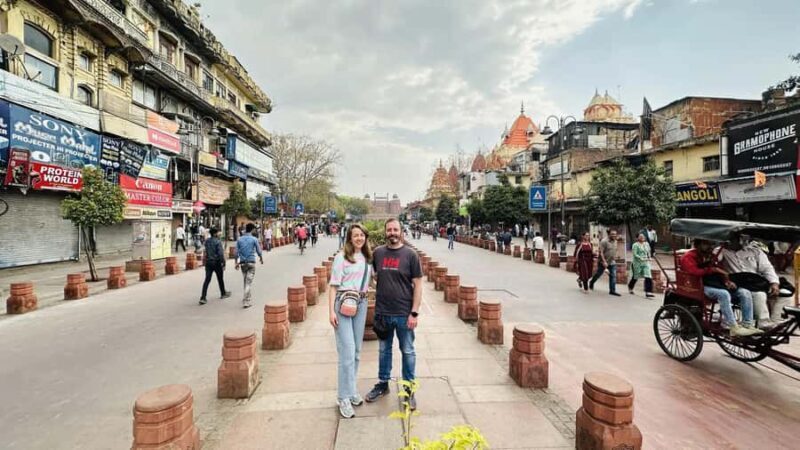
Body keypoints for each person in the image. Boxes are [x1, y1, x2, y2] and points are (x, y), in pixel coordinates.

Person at [365, 218, 423, 410]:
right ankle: (383, 384)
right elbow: (371, 275)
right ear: (385, 232)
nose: (392, 233)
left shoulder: (411, 255)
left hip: (404, 313)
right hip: (382, 312)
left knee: (407, 351)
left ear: (401, 231)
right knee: (384, 350)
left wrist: (414, 313)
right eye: (389, 230)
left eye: (395, 229)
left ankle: (408, 390)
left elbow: (418, 285)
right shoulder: (378, 253)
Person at [329, 223, 373, 418]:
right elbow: (333, 286)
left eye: (362, 235)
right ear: (349, 237)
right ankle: (343, 397)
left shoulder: (367, 259)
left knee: (356, 352)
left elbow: (371, 282)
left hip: (361, 304)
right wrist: (330, 312)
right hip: (343, 304)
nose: (359, 238)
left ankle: (352, 389)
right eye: (356, 235)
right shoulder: (341, 258)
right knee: (346, 351)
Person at [680, 239, 761, 337]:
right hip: (700, 286)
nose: (710, 247)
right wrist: (712, 270)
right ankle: (733, 326)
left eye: (711, 244)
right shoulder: (688, 257)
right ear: (698, 244)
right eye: (706, 244)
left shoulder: (712, 256)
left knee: (745, 292)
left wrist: (727, 281)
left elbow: (722, 271)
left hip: (717, 284)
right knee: (723, 294)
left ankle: (747, 324)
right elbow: (694, 272)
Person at [718, 235, 790, 330]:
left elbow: (767, 268)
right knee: (759, 295)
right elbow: (714, 261)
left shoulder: (755, 251)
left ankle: (776, 320)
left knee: (785, 293)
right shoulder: (721, 251)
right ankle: (763, 322)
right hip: (738, 283)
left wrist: (774, 283)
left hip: (756, 282)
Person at [235, 223, 263, 309]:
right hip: (251, 262)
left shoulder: (239, 239)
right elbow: (259, 250)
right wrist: (261, 258)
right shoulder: (254, 239)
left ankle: (247, 297)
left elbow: (236, 252)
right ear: (252, 230)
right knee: (248, 282)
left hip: (243, 263)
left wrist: (236, 262)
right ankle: (246, 301)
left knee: (245, 280)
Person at [199, 228, 230, 305]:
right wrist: (223, 263)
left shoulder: (207, 241)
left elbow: (205, 251)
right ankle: (223, 293)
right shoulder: (218, 242)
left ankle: (203, 297)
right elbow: (220, 254)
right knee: (220, 279)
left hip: (208, 262)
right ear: (215, 233)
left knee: (207, 280)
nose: (219, 234)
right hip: (216, 262)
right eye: (218, 233)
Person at [589, 230, 620, 296]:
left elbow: (615, 249)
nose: (614, 235)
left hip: (612, 261)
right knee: (598, 274)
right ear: (609, 234)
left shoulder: (615, 241)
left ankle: (612, 290)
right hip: (603, 262)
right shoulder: (604, 241)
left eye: (615, 234)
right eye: (612, 234)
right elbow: (601, 252)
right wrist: (604, 261)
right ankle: (591, 282)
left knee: (613, 276)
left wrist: (616, 256)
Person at [628, 233, 655, 298]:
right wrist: (641, 258)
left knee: (648, 276)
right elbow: (635, 254)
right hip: (637, 263)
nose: (642, 237)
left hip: (646, 263)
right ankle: (630, 287)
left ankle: (648, 292)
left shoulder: (646, 244)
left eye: (643, 236)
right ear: (637, 238)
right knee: (635, 277)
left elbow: (648, 251)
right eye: (640, 236)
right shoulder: (635, 245)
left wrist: (649, 257)